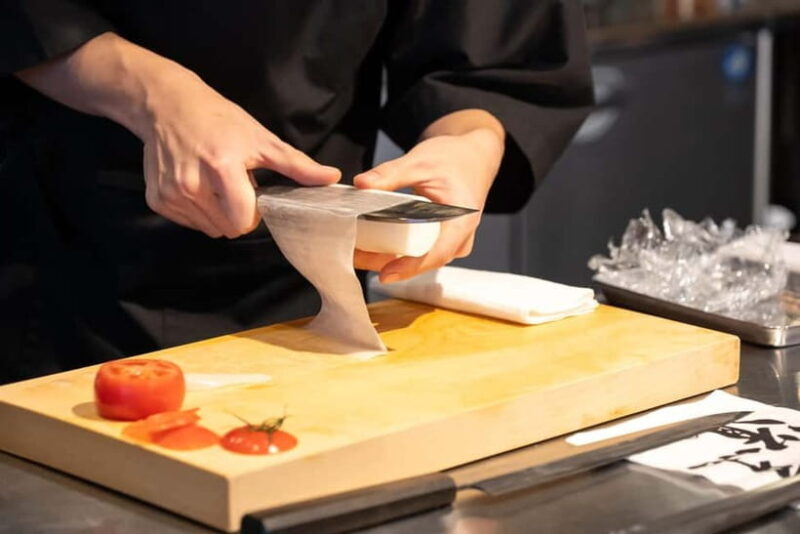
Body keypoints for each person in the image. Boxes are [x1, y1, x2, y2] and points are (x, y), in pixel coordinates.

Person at [0, 1, 594, 383]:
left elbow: (497, 46)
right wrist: (154, 95)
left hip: (301, 281)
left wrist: (469, 142)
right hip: (52, 262)